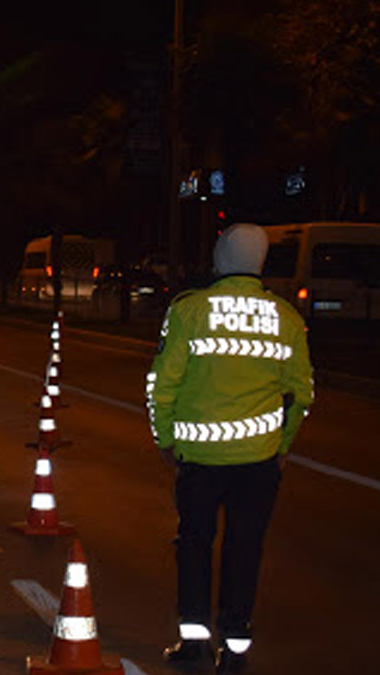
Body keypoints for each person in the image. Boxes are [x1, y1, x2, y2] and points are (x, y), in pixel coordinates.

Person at [146, 223, 313, 673]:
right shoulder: (287, 318)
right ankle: (235, 650)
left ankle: (194, 642)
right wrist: (282, 447)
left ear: (219, 259)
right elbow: (301, 393)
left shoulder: (189, 311)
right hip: (259, 462)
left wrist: (165, 439)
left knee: (194, 544)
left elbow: (163, 385)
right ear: (260, 264)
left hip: (199, 460)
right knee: (245, 548)